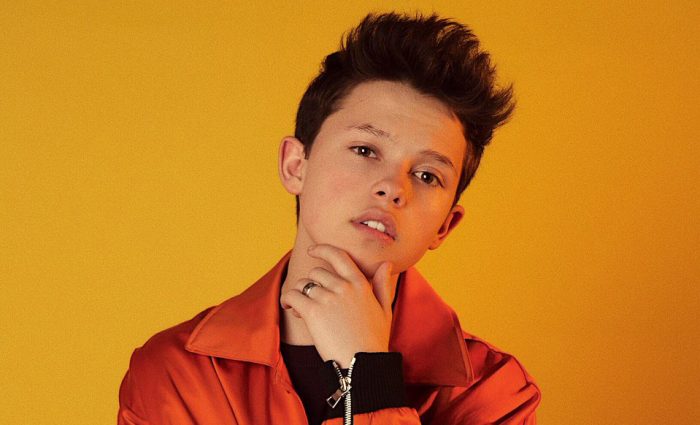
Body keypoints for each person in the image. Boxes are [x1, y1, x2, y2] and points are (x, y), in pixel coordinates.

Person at [118, 12, 542, 425]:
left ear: (445, 225)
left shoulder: (495, 392)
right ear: (296, 166)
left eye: (427, 175)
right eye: (365, 150)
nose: (393, 187)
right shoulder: (175, 374)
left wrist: (370, 374)